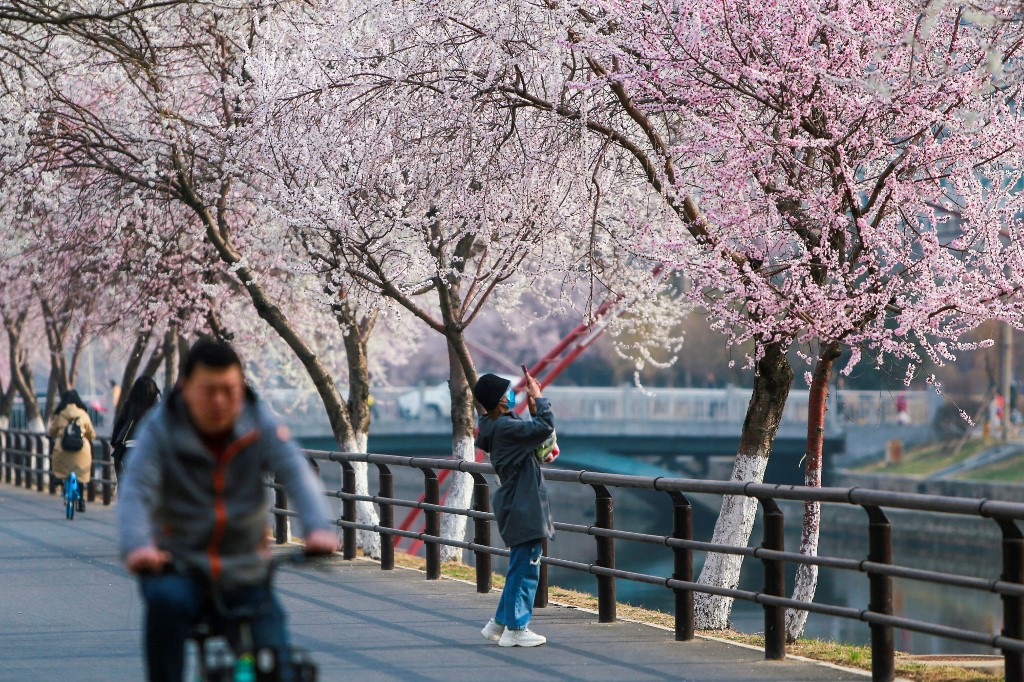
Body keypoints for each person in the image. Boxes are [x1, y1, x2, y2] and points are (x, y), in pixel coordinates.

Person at [116, 338, 338, 682]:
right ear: (186, 388)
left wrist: (318, 526)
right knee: (165, 609)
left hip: (245, 567)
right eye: (209, 391)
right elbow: (136, 489)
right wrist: (138, 545)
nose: (220, 401)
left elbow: (295, 469)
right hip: (179, 564)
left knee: (276, 658)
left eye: (229, 390)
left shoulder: (257, 421)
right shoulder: (161, 429)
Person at [474, 370, 555, 648]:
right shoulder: (505, 427)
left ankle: (499, 623)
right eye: (508, 392)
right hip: (523, 504)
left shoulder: (495, 425)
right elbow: (545, 427)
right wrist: (540, 399)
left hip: (516, 502)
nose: (512, 394)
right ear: (499, 400)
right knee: (527, 567)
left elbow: (533, 433)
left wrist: (532, 408)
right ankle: (517, 628)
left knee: (519, 565)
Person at [48, 389, 97, 512]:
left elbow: (52, 432)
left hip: (63, 449)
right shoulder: (83, 414)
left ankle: (59, 479)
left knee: (58, 460)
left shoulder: (60, 414)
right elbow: (92, 434)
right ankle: (81, 501)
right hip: (81, 450)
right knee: (79, 474)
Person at [109, 375, 161, 484]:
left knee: (125, 479)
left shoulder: (130, 404)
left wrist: (114, 441)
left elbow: (119, 424)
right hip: (149, 448)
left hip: (126, 446)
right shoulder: (157, 408)